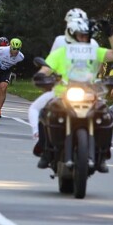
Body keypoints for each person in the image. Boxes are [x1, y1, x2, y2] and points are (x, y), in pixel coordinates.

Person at [33, 16, 113, 172]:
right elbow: (46, 68)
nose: (84, 39)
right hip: (64, 94)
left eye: (86, 36)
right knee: (44, 112)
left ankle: (102, 154)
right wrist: (42, 75)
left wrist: (110, 34)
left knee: (107, 116)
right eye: (81, 35)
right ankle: (46, 152)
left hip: (91, 94)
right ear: (73, 36)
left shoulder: (94, 51)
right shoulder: (61, 53)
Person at [29, 8, 99, 139]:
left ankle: (38, 136)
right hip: (84, 87)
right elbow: (97, 65)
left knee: (37, 109)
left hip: (69, 86)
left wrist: (50, 77)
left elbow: (50, 65)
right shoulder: (93, 43)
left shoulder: (60, 40)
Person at [0, 38, 24, 124]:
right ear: (10, 47)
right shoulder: (1, 50)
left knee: (3, 88)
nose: (16, 51)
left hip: (6, 71)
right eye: (14, 48)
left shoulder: (21, 57)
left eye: (18, 49)